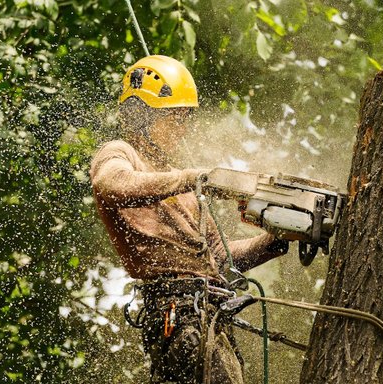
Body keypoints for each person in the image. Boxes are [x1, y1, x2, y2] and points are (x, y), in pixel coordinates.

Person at [89, 55, 288, 383]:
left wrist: (275, 239)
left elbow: (218, 256)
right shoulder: (120, 153)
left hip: (209, 313)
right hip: (176, 312)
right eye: (175, 118)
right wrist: (190, 178)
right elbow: (110, 184)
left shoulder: (176, 178)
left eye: (185, 118)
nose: (182, 128)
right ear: (142, 115)